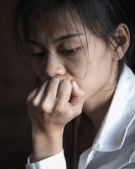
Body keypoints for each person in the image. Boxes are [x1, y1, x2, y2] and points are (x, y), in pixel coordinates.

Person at [12, 0, 135, 168]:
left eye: (69, 50)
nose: (49, 70)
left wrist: (46, 138)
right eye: (38, 53)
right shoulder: (58, 115)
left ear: (118, 42)